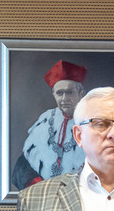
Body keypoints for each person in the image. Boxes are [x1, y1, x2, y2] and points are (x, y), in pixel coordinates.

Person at [10, 59, 89, 190]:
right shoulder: (45, 119)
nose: (64, 99)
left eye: (69, 92)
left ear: (81, 94)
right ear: (54, 95)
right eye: (59, 93)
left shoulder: (92, 121)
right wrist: (40, 187)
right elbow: (23, 166)